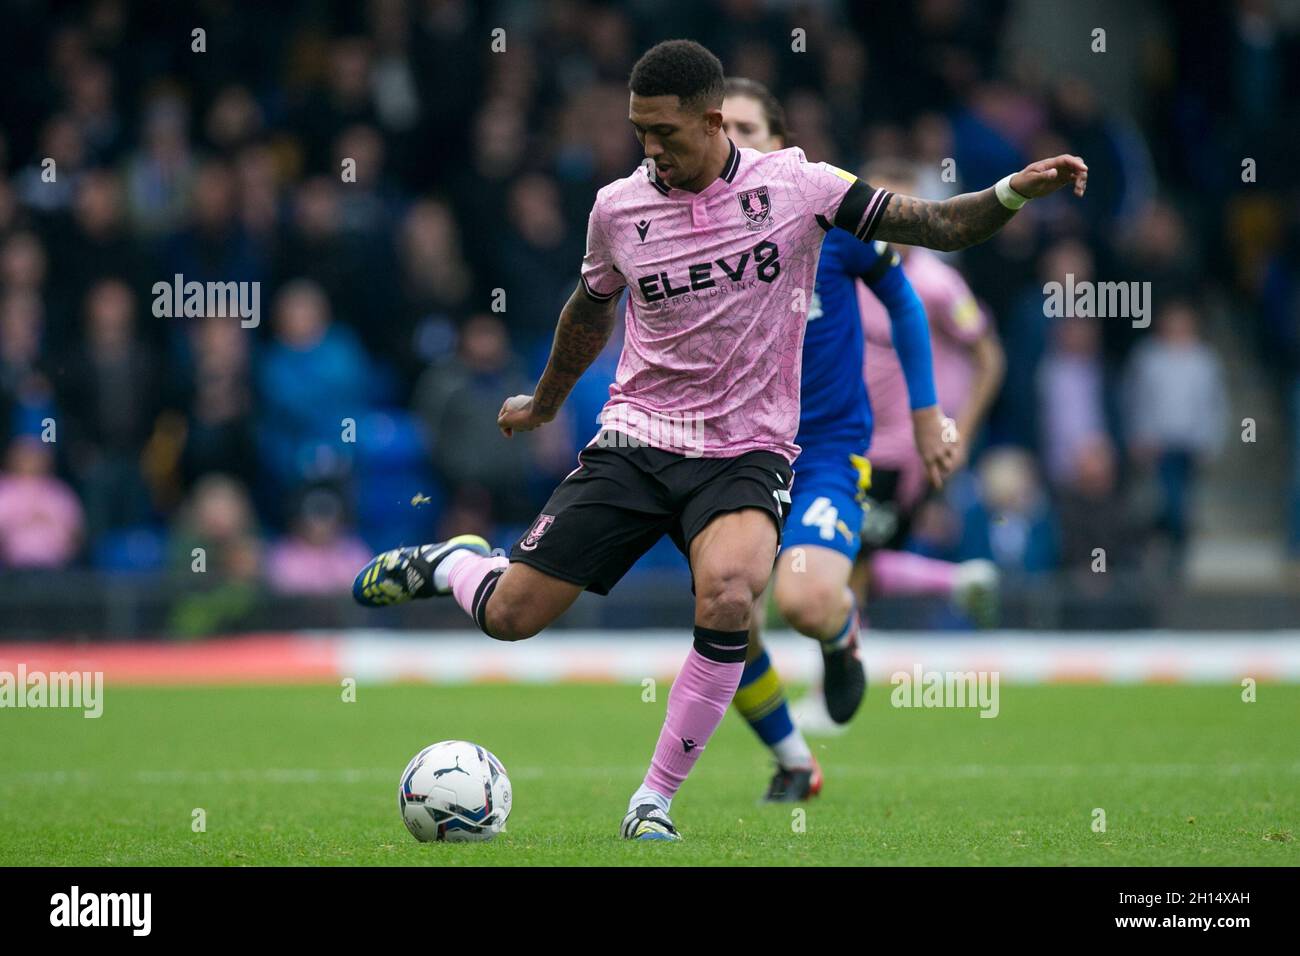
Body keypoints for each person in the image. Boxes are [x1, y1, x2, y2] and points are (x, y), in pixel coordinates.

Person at [352, 40, 1087, 841]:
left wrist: (1014, 191)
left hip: (748, 450)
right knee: (512, 617)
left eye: (665, 133)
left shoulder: (800, 186)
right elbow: (590, 309)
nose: (650, 149)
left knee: (733, 593)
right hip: (636, 440)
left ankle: (654, 800)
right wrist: (543, 402)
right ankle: (456, 562)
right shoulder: (617, 207)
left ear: (711, 122)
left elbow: (939, 224)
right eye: (639, 133)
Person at [717, 78, 939, 801]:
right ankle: (792, 759)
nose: (734, 141)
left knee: (806, 602)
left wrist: (927, 415)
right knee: (726, 613)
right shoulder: (690, 232)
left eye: (748, 128)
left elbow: (903, 300)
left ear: (781, 145)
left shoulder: (829, 215)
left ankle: (841, 639)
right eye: (722, 129)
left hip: (824, 452)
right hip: (731, 454)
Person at [847, 160, 1008, 629]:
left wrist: (960, 432)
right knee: (833, 557)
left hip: (898, 453)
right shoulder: (845, 268)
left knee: (846, 564)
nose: (886, 219)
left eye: (898, 209)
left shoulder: (937, 283)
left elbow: (990, 358)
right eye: (879, 207)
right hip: (845, 438)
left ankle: (833, 685)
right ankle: (957, 582)